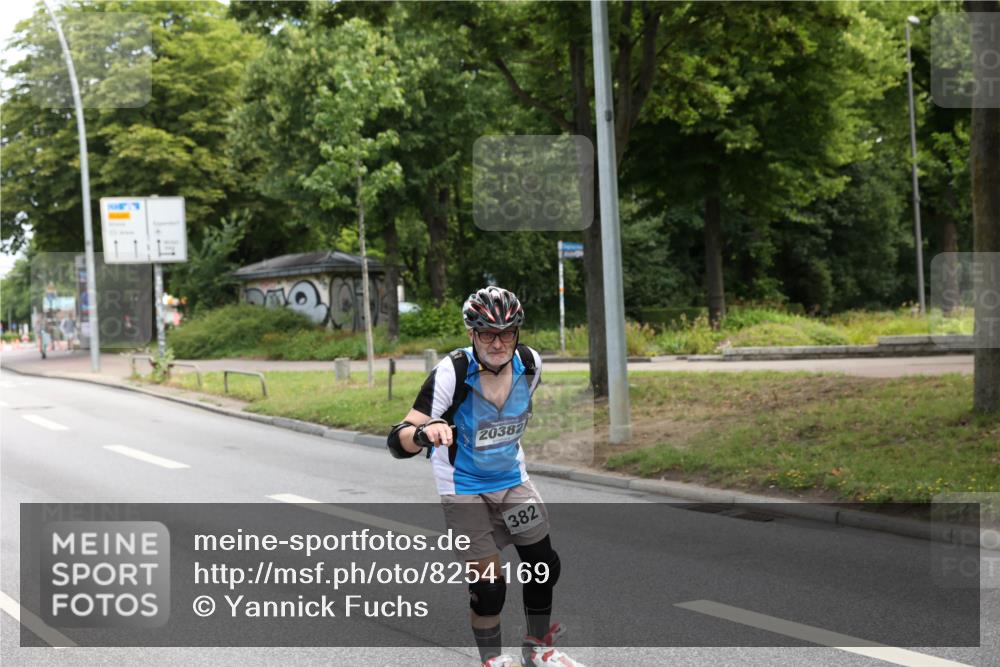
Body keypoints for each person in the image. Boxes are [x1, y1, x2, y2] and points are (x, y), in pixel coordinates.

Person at [388, 287, 585, 667]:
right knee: (490, 587)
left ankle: (538, 648)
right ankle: (492, 660)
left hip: (511, 480)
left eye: (507, 333)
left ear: (517, 333)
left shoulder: (530, 364)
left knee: (543, 563)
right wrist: (424, 433)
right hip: (463, 488)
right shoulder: (451, 372)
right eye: (487, 334)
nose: (498, 342)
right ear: (471, 334)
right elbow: (398, 438)